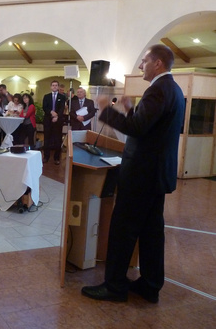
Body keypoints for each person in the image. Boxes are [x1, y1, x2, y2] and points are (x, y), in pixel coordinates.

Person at [82, 45, 185, 303]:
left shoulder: (158, 90)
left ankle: (114, 287)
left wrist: (106, 110)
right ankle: (150, 286)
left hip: (141, 175)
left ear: (158, 63)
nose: (141, 65)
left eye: (144, 60)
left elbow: (138, 130)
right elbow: (152, 129)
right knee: (151, 232)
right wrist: (129, 109)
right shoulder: (172, 88)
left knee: (123, 229)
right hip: (155, 175)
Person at [42, 80, 65, 165]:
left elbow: (62, 108)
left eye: (56, 85)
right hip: (48, 120)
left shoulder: (62, 97)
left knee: (58, 139)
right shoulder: (46, 96)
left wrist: (57, 116)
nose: (54, 87)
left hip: (58, 121)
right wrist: (51, 112)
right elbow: (44, 107)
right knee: (47, 139)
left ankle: (56, 158)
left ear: (58, 87)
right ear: (51, 87)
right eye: (53, 85)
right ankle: (46, 157)